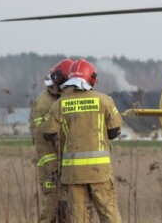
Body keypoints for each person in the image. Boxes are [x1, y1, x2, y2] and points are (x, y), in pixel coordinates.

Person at [44, 58, 123, 223]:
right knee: (110, 216)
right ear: (92, 79)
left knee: (79, 219)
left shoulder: (60, 104)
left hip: (73, 174)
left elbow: (49, 133)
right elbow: (114, 131)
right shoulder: (104, 101)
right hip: (99, 172)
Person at [30, 58, 74, 223]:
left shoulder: (63, 99)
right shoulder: (44, 104)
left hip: (66, 166)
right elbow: (41, 140)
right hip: (52, 170)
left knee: (67, 212)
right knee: (51, 211)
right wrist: (54, 167)